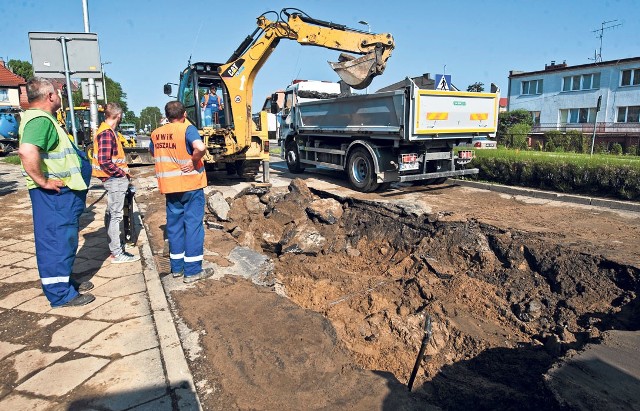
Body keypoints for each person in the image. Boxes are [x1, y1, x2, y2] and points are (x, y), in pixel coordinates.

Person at [18, 78, 95, 308]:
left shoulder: (44, 120)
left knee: (65, 241)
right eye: (58, 94)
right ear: (50, 96)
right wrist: (43, 181)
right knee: (55, 242)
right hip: (54, 196)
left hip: (63, 195)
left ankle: (65, 282)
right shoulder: (39, 121)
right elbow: (26, 151)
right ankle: (61, 295)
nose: (60, 97)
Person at [150, 101, 213, 283]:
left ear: (167, 116)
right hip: (190, 185)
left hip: (170, 187)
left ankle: (177, 268)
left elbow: (154, 152)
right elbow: (200, 148)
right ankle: (192, 271)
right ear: (184, 114)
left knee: (175, 227)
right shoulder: (187, 128)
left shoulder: (156, 133)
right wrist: (193, 161)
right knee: (193, 226)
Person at [91, 102, 140, 264]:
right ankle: (117, 253)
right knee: (116, 216)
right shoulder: (107, 133)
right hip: (114, 180)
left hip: (112, 179)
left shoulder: (107, 131)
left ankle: (116, 248)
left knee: (112, 214)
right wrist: (121, 174)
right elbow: (105, 161)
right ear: (119, 116)